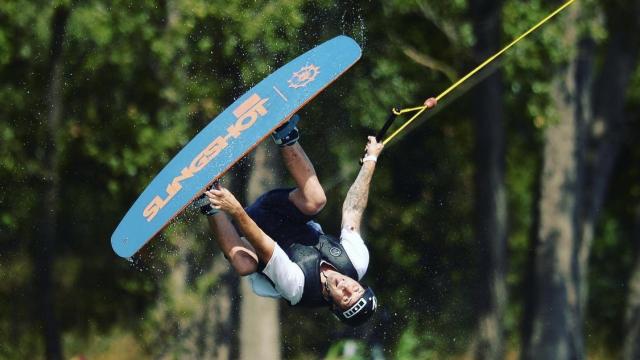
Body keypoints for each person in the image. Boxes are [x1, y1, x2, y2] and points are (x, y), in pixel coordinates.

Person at [198, 98, 437, 326]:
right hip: (278, 211)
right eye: (354, 289)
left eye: (345, 297)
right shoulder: (357, 262)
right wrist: (371, 160)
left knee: (244, 265)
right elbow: (353, 209)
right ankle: (285, 131)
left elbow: (264, 244)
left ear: (333, 305)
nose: (346, 286)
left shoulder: (297, 289)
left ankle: (208, 200)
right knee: (316, 201)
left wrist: (234, 208)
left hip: (250, 236)